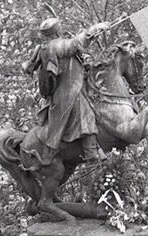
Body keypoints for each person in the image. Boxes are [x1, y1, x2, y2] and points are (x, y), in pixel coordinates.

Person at [21, 17, 111, 168]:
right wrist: (95, 28)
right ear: (56, 30)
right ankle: (91, 154)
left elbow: (28, 67)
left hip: (71, 88)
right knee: (86, 114)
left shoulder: (45, 47)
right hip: (68, 93)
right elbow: (75, 44)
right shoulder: (56, 46)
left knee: (94, 106)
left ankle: (97, 148)